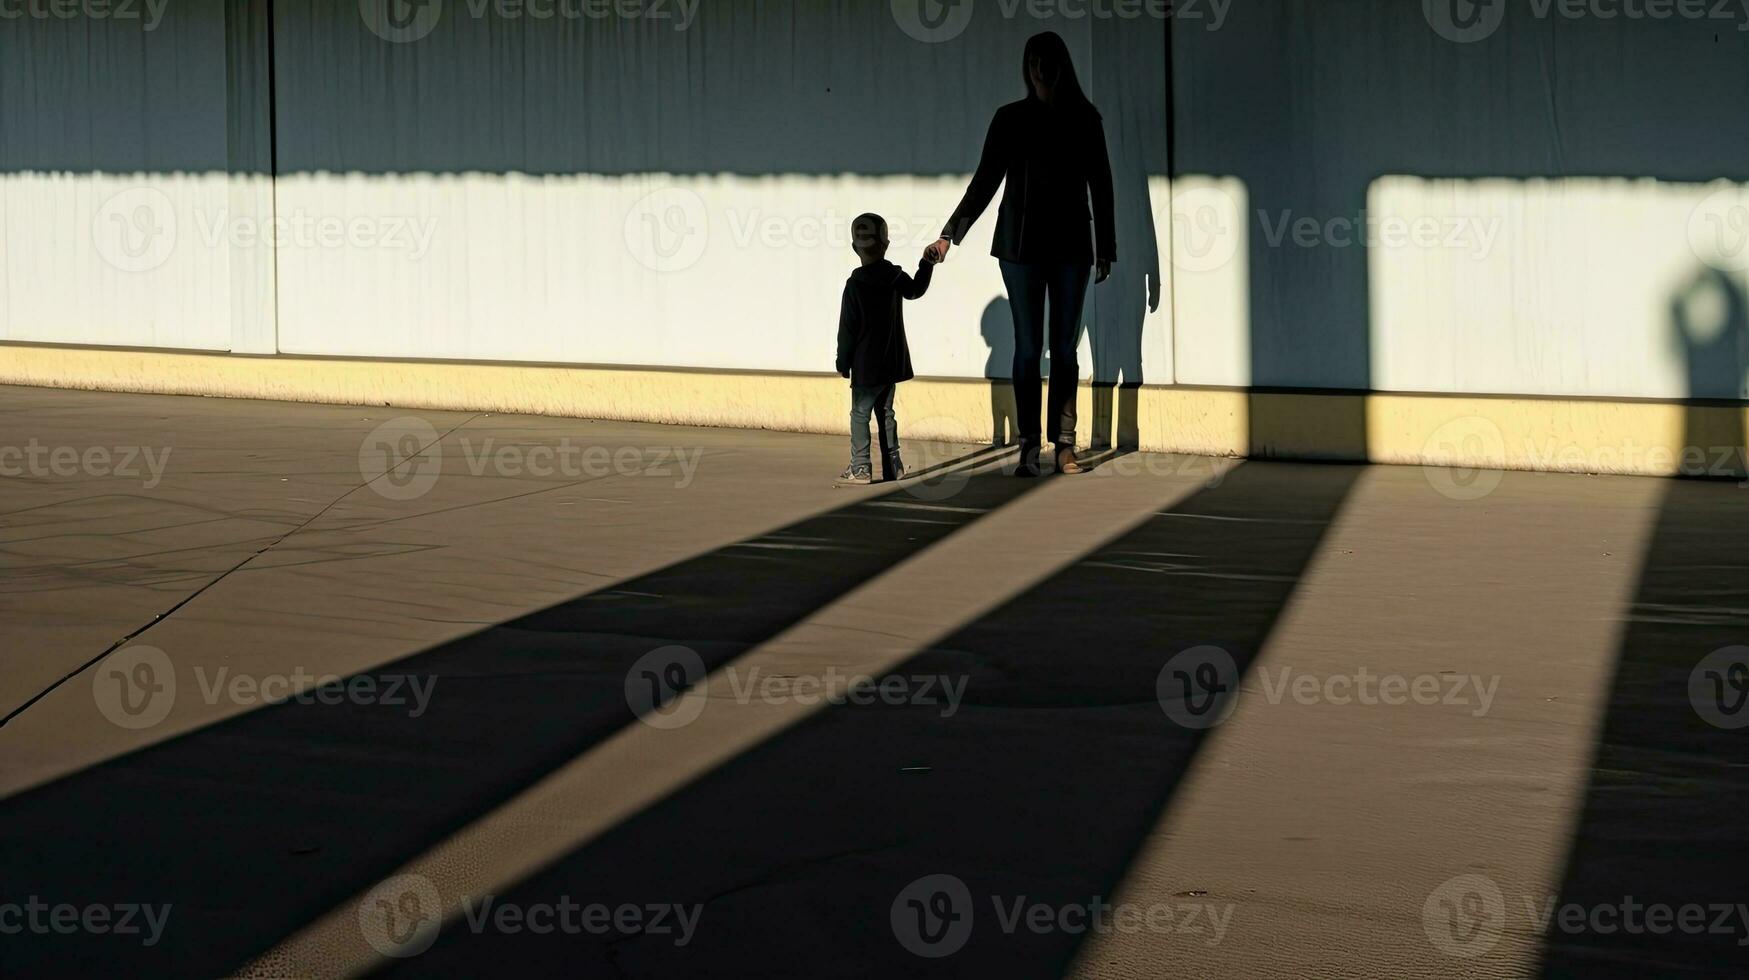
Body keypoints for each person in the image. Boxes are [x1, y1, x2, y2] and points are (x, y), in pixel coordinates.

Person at [926, 30, 1115, 477]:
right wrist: (950, 234)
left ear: (1061, 65)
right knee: (1029, 347)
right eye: (1033, 61)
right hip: (1020, 247)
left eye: (1048, 61)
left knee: (1065, 349)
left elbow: (1102, 185)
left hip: (1071, 247)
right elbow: (985, 181)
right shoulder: (1010, 118)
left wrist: (1106, 246)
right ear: (1026, 67)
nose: (1040, 69)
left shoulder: (1085, 118)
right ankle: (1029, 446)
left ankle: (1064, 446)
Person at [836, 212, 937, 485]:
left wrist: (842, 361)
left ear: (855, 248)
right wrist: (926, 264)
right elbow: (916, 290)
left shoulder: (854, 285)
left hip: (865, 366)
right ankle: (894, 465)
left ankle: (861, 467)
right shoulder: (895, 277)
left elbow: (847, 330)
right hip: (890, 362)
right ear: (886, 244)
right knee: (886, 413)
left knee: (860, 414)